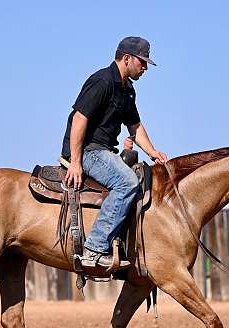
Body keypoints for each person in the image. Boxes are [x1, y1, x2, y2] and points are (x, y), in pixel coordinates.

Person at [61, 36, 168, 269]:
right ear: (127, 58)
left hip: (105, 151)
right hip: (88, 150)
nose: (145, 68)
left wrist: (152, 152)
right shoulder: (102, 81)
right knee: (127, 182)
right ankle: (94, 248)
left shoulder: (128, 90)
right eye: (142, 62)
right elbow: (80, 119)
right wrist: (75, 162)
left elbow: (135, 126)